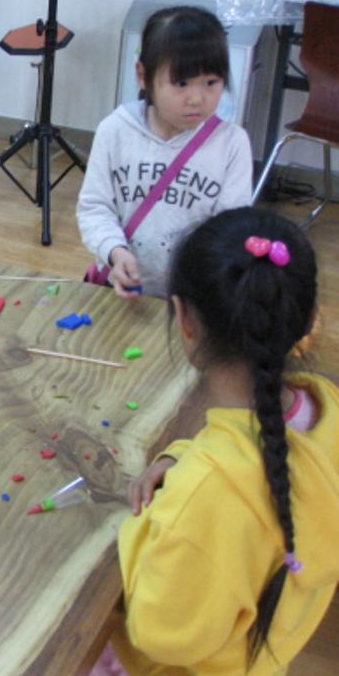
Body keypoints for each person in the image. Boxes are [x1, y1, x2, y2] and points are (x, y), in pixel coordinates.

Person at [95, 208, 339, 676]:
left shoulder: (208, 492)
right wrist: (181, 457)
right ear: (309, 321)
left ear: (184, 319)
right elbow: (258, 468)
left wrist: (145, 525)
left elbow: (160, 635)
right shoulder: (325, 408)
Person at [77, 6, 253, 298]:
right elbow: (95, 208)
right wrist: (114, 251)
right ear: (142, 75)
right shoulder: (115, 131)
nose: (197, 98)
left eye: (211, 82)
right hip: (122, 288)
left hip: (191, 298)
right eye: (181, 83)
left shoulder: (232, 143)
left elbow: (231, 229)